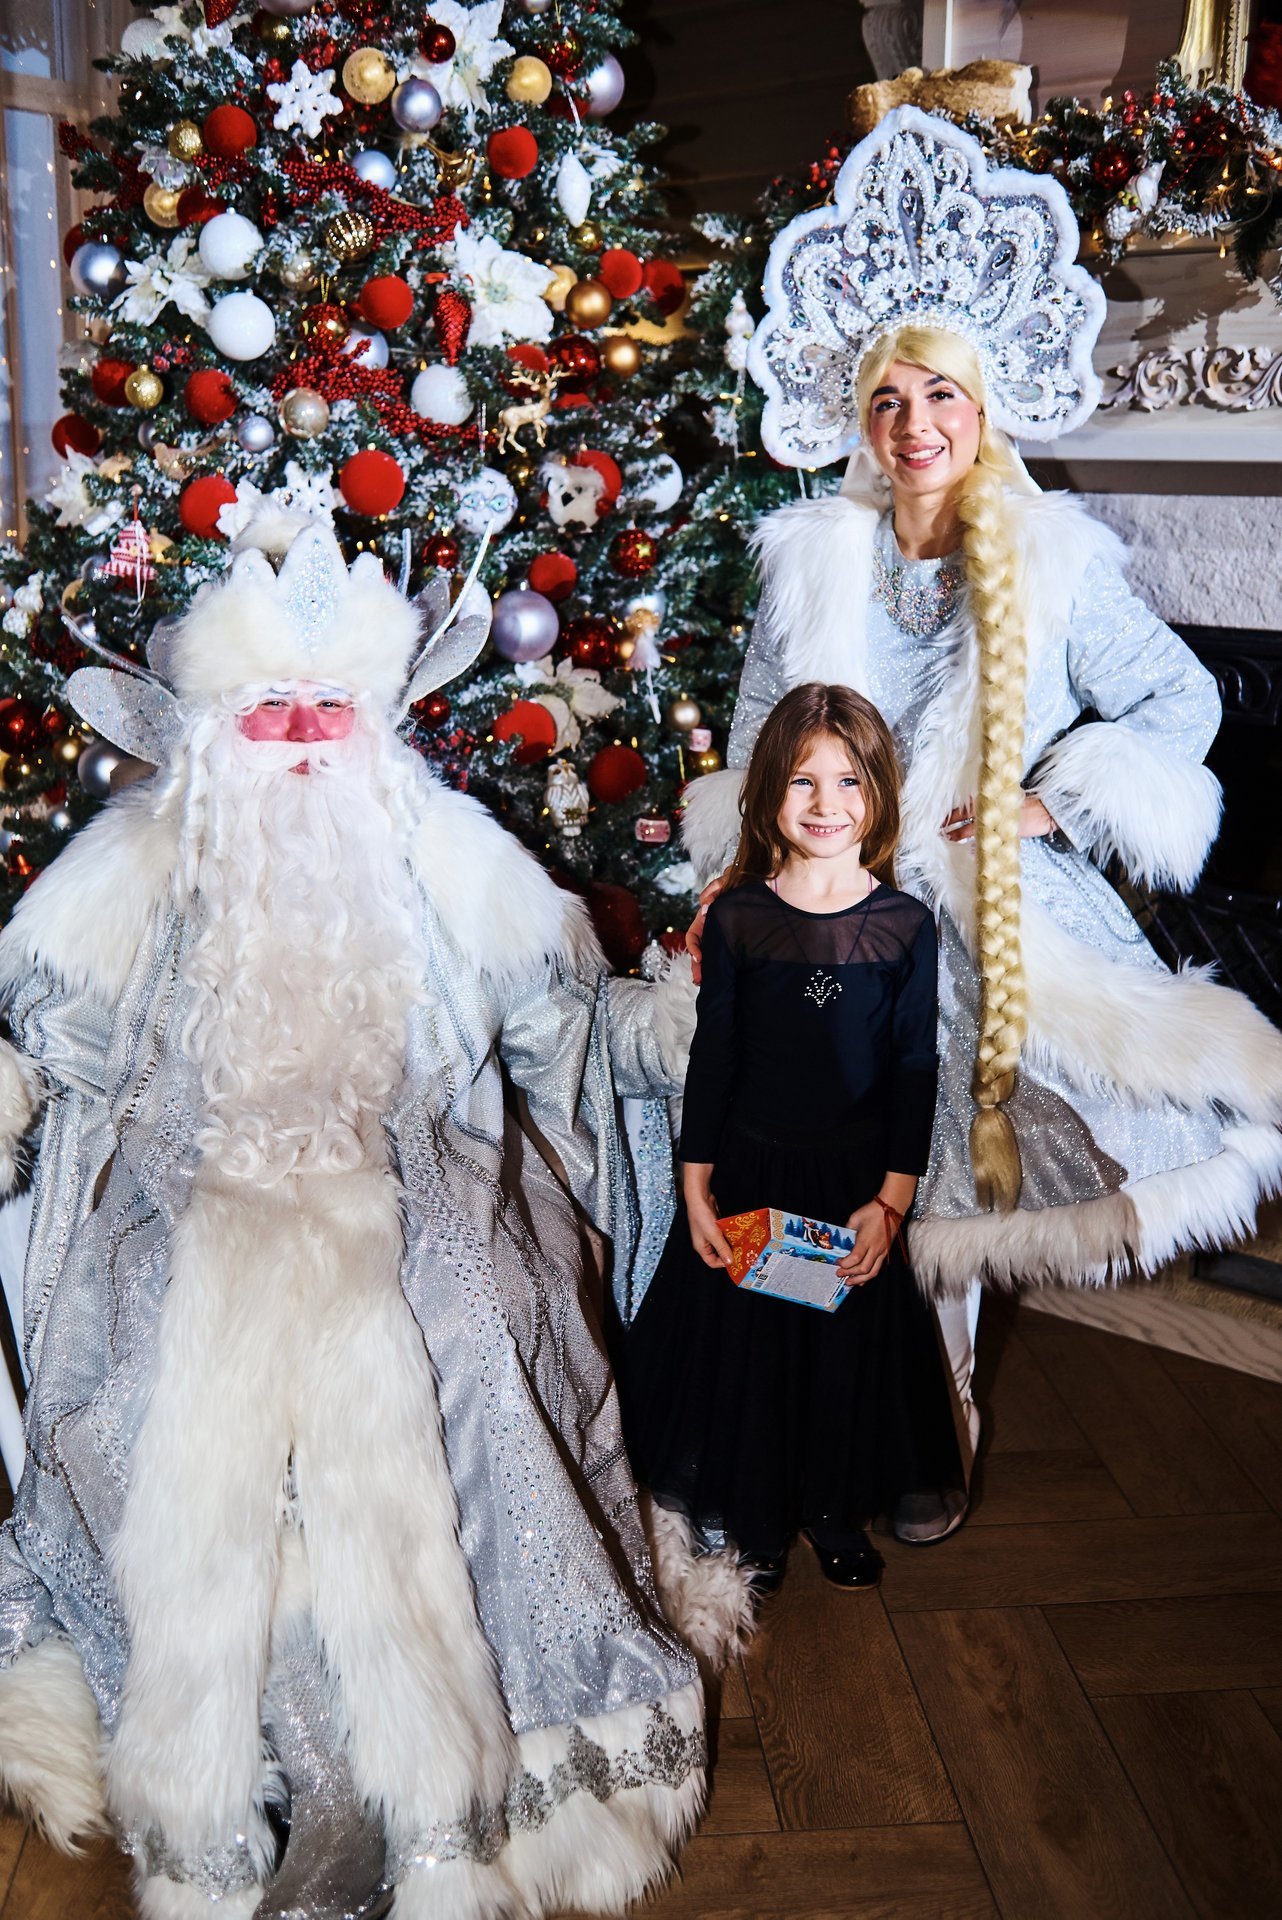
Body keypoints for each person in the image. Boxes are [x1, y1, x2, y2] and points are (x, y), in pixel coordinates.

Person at [0, 519, 748, 1920]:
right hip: (190, 1175)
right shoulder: (133, 869)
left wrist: (668, 1031)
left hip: (416, 1163)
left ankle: (431, 1776)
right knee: (159, 1371)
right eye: (268, 710)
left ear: (375, 725)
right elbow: (41, 1029)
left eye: (325, 710)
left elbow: (564, 1034)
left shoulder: (450, 862)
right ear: (210, 731)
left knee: (464, 1332)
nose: (298, 740)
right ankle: (290, 1764)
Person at [682, 107, 1282, 1457]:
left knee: (938, 1165)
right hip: (823, 892)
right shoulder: (812, 557)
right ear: (860, 417)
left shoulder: (1053, 557)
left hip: (981, 908)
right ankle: (815, 1404)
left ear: (982, 407)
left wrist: (1049, 802)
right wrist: (738, 874)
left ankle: (933, 1413)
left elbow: (1182, 700)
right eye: (889, 400)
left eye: (941, 395)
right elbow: (758, 728)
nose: (915, 426)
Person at [620, 684, 964, 1594]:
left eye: (848, 781)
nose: (825, 803)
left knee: (841, 1355)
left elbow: (915, 1070)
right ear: (769, 790)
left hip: (854, 1184)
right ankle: (762, 1523)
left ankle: (830, 1511)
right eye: (803, 781)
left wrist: (892, 1203)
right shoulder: (739, 917)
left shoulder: (906, 927)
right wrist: (697, 1186)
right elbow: (716, 1058)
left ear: (879, 794)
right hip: (750, 1173)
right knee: (756, 1355)